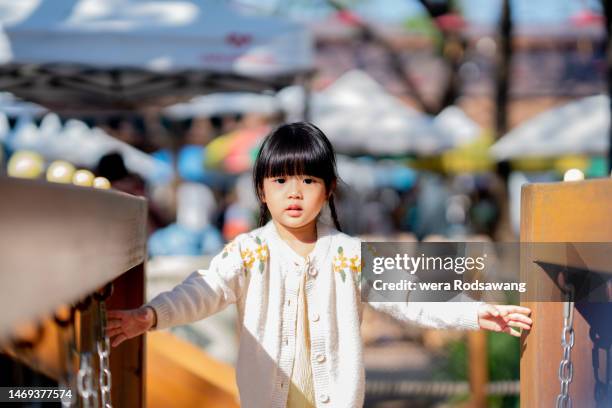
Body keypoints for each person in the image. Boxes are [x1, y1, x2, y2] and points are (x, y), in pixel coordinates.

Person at [106, 122, 532, 408]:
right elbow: (204, 290)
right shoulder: (248, 253)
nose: (295, 192)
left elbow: (408, 298)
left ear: (328, 191)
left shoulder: (349, 254)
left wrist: (473, 311)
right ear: (261, 190)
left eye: (308, 180)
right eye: (281, 180)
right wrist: (152, 314)